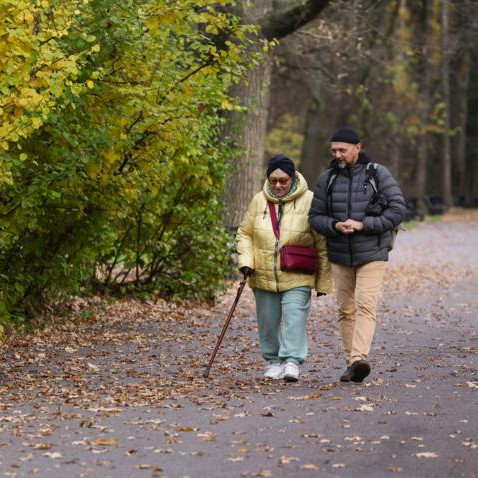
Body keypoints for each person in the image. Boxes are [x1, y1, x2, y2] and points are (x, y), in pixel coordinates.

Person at [308, 127, 406, 383]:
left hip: (372, 251)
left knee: (365, 303)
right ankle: (352, 362)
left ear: (357, 148)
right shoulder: (326, 179)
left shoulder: (377, 174)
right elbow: (315, 217)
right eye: (334, 150)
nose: (337, 154)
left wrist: (363, 225)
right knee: (345, 309)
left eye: (342, 150)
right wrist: (335, 226)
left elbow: (397, 211)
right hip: (339, 253)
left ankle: (358, 358)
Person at [236, 154, 332, 382]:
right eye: (273, 180)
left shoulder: (310, 200)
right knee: (268, 321)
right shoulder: (259, 200)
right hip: (263, 273)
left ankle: (291, 361)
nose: (278, 185)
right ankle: (273, 361)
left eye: (283, 180)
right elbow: (244, 234)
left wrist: (324, 281)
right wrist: (246, 262)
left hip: (298, 273)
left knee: (294, 316)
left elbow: (322, 242)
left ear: (293, 178)